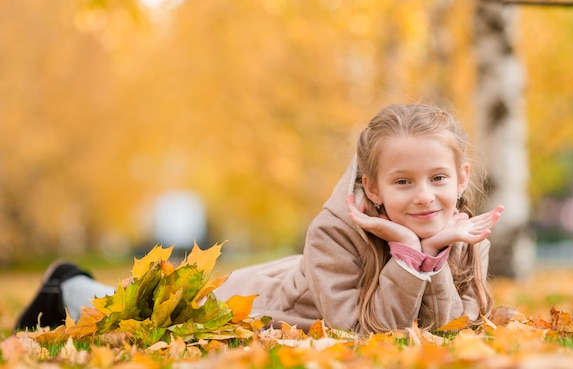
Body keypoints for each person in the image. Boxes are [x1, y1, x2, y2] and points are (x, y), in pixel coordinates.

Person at [15, 103, 503, 334]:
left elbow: (448, 328)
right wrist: (409, 250)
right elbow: (367, 334)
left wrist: (431, 251)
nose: (424, 197)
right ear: (371, 187)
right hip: (257, 302)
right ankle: (69, 286)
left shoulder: (465, 234)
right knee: (135, 314)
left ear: (461, 178)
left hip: (292, 280)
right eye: (402, 182)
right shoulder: (335, 231)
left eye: (437, 178)